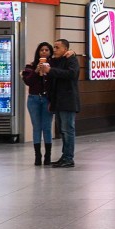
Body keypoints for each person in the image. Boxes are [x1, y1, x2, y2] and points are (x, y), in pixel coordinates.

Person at [42, 38, 80, 168]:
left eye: (57, 47)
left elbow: (71, 74)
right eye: (54, 47)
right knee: (62, 131)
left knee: (68, 129)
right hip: (58, 101)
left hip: (68, 101)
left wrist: (51, 71)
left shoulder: (71, 60)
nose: (54, 50)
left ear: (65, 49)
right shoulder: (55, 61)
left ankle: (69, 158)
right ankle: (64, 156)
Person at [21, 42, 55, 165]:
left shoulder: (53, 66)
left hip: (47, 99)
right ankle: (37, 155)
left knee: (46, 127)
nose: (44, 52)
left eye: (47, 50)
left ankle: (48, 155)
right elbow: (28, 82)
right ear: (38, 52)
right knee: (36, 127)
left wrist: (48, 70)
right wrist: (36, 71)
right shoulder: (30, 66)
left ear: (50, 52)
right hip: (34, 99)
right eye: (42, 50)